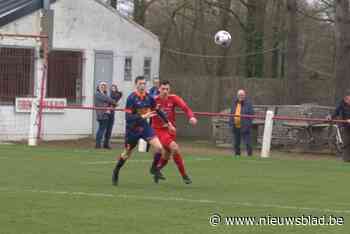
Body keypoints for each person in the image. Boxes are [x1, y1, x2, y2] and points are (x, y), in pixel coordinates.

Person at [111, 76, 175, 186]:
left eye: (144, 83)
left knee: (159, 148)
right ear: (136, 84)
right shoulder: (131, 98)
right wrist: (143, 116)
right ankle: (116, 171)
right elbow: (128, 118)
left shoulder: (149, 97)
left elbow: (158, 110)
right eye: (140, 83)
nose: (142, 86)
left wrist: (168, 123)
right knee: (126, 154)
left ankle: (154, 169)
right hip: (133, 129)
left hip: (145, 128)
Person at [150, 80, 198, 184]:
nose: (165, 91)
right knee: (175, 148)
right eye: (163, 89)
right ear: (159, 89)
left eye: (167, 89)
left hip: (170, 131)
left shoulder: (173, 98)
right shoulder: (154, 100)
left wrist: (191, 117)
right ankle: (184, 175)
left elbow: (185, 108)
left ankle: (157, 170)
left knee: (167, 155)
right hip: (159, 131)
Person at [229, 89, 254, 157]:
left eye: (242, 95)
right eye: (239, 95)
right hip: (236, 126)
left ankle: (250, 155)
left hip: (245, 126)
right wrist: (231, 123)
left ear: (244, 96)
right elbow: (231, 114)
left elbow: (251, 115)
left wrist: (248, 125)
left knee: (248, 143)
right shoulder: (234, 103)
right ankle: (237, 155)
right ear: (237, 96)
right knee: (236, 143)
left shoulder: (248, 104)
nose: (241, 96)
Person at [329, 91, 350, 162]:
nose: (348, 100)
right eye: (347, 99)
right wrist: (330, 117)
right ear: (345, 99)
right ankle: (346, 159)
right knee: (346, 142)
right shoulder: (341, 105)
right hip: (345, 126)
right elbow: (336, 112)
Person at [95, 82, 116, 149]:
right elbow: (108, 99)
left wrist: (112, 104)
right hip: (102, 114)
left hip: (110, 113)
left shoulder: (106, 94)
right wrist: (112, 102)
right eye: (102, 85)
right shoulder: (97, 94)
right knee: (101, 129)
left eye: (105, 86)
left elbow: (113, 102)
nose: (104, 87)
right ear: (98, 87)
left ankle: (106, 144)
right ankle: (98, 145)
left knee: (109, 130)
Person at [104, 84, 122, 149]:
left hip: (112, 112)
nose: (113, 89)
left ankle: (106, 143)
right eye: (112, 88)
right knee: (106, 128)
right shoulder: (108, 95)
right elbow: (110, 101)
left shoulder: (117, 94)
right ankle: (104, 143)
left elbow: (119, 95)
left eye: (114, 88)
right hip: (107, 112)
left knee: (110, 128)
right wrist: (114, 103)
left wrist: (114, 103)